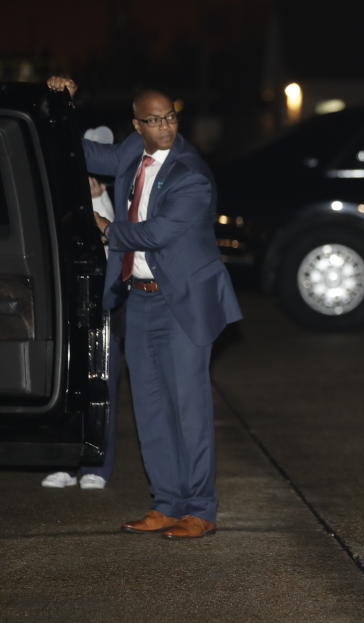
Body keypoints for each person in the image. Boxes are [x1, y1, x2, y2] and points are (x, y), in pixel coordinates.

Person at [46, 76, 243, 538]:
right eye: (153, 121)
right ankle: (167, 503)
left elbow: (157, 232)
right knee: (150, 407)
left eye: (170, 118)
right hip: (141, 299)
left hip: (182, 304)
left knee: (189, 410)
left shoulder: (191, 171)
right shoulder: (134, 150)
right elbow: (84, 154)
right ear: (137, 124)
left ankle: (200, 509)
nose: (164, 128)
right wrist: (63, 105)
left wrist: (104, 227)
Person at [41, 127, 122, 491]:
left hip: (103, 307)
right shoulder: (59, 191)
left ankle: (98, 465)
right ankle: (63, 461)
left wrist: (97, 202)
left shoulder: (113, 198)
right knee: (66, 385)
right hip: (67, 305)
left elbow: (113, 246)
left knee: (101, 387)